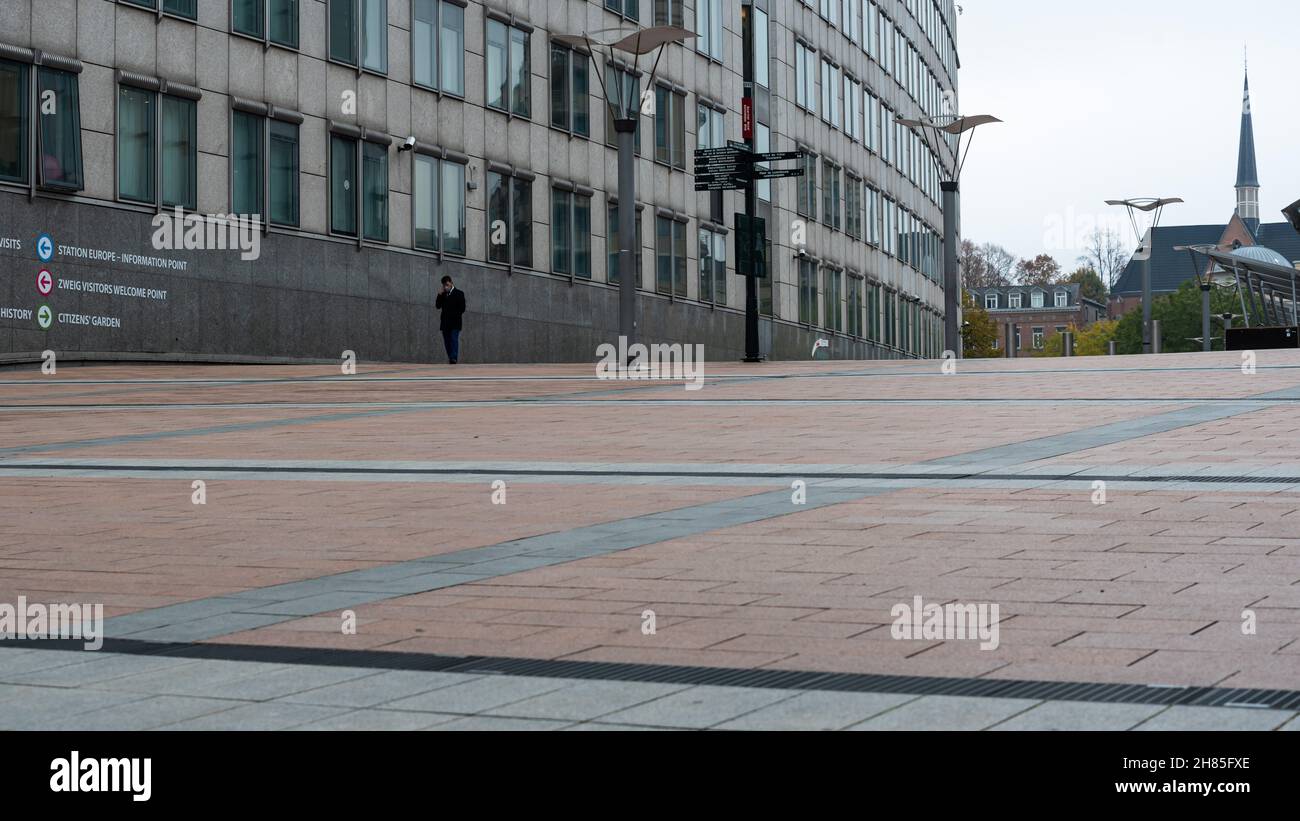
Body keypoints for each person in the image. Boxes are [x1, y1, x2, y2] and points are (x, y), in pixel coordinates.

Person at [435, 275, 466, 364]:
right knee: (447, 342)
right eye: (444, 285)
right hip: (445, 323)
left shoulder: (459, 293)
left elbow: (462, 308)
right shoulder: (443, 294)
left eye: (447, 285)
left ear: (451, 283)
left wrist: (454, 314)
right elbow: (437, 306)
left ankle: (453, 358)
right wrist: (439, 294)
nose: (446, 287)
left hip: (455, 322)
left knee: (453, 339)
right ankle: (451, 358)